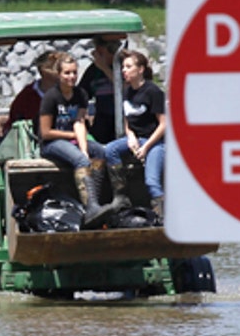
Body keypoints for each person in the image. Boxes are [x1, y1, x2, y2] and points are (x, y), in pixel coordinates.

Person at [38, 52, 116, 228]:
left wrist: (84, 148)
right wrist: (74, 138)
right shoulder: (51, 97)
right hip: (52, 143)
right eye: (67, 73)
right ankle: (91, 207)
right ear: (59, 75)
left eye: (74, 72)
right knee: (80, 160)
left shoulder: (80, 94)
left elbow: (79, 122)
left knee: (100, 152)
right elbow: (46, 132)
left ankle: (95, 199)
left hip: (72, 139)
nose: (71, 77)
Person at [102, 50, 167, 222]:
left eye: (129, 67)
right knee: (110, 150)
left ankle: (162, 218)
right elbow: (127, 119)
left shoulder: (153, 92)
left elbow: (164, 124)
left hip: (155, 142)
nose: (124, 70)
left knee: (151, 181)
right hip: (135, 139)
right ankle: (121, 196)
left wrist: (145, 147)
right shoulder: (127, 91)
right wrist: (130, 136)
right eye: (123, 67)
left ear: (140, 70)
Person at [77, 36, 122, 145]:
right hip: (103, 118)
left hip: (125, 117)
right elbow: (81, 93)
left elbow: (125, 88)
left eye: (101, 53)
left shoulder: (125, 66)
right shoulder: (93, 71)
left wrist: (105, 68)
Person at [6, 50, 59, 134]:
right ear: (43, 70)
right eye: (56, 67)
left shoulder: (71, 93)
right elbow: (14, 122)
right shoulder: (26, 96)